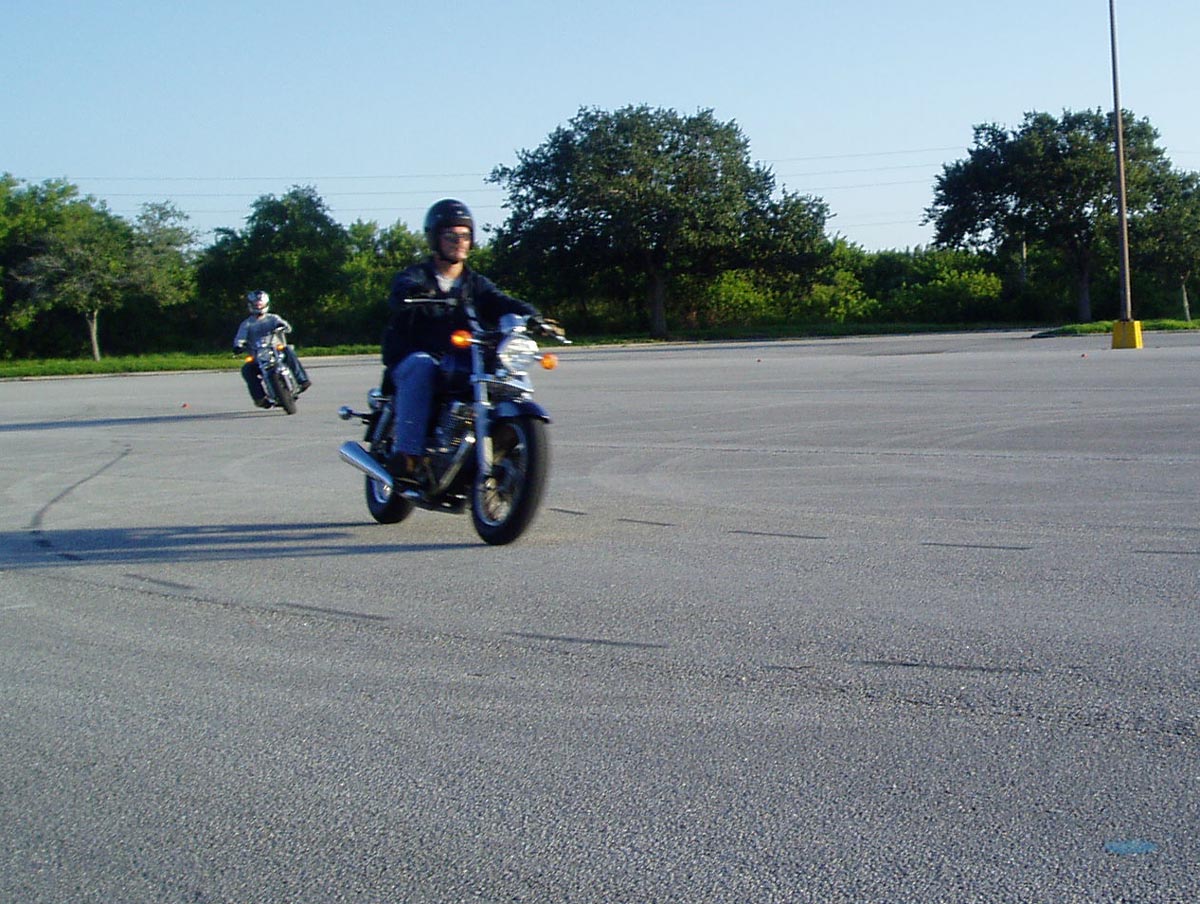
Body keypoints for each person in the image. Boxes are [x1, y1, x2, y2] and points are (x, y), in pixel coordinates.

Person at [382, 199, 556, 475]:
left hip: (463, 353)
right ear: (434, 238)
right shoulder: (418, 275)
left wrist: (533, 317)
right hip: (415, 351)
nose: (459, 242)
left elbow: (500, 301)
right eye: (451, 236)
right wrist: (412, 293)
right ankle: (409, 454)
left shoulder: (475, 283)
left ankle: (496, 445)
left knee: (502, 374)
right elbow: (402, 287)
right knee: (422, 366)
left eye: (465, 236)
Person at [233, 290, 311, 407]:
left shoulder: (273, 318)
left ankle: (302, 380)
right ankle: (260, 398)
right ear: (250, 305)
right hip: (258, 355)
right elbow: (240, 337)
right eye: (256, 305)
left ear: (266, 304)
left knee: (289, 351)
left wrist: (282, 326)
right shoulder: (247, 324)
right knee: (247, 370)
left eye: (260, 304)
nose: (258, 307)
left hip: (277, 350)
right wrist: (238, 346)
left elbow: (287, 327)